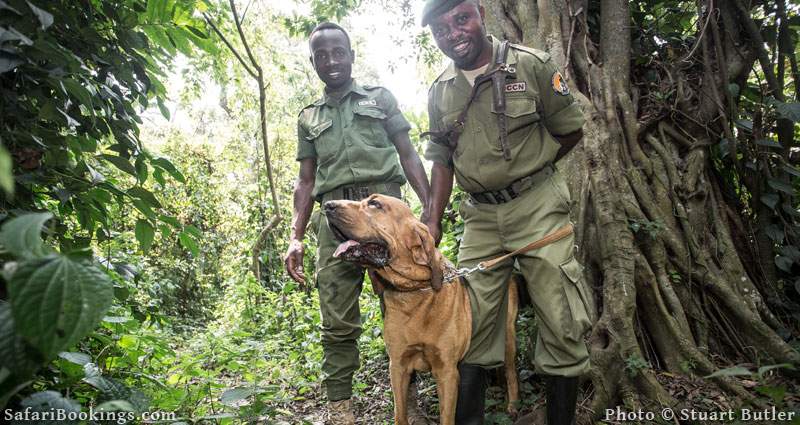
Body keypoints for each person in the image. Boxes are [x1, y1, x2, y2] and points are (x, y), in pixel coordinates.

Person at [420, 1, 593, 424]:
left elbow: (569, 129)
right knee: (470, 322)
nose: (454, 33)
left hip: (538, 208)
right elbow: (441, 160)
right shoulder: (440, 90)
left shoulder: (530, 66)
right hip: (480, 217)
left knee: (560, 315)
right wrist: (432, 219)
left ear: (480, 14)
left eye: (461, 19)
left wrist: (529, 174)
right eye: (441, 29)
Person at [283, 22, 431, 425]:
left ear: (351, 54)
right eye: (322, 55)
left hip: (384, 211)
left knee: (405, 306)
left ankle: (409, 404)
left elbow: (409, 154)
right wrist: (295, 238)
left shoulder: (380, 98)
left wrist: (429, 209)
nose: (331, 61)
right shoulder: (309, 117)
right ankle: (341, 409)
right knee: (336, 317)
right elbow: (306, 181)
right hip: (335, 217)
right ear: (312, 61)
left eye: (338, 52)